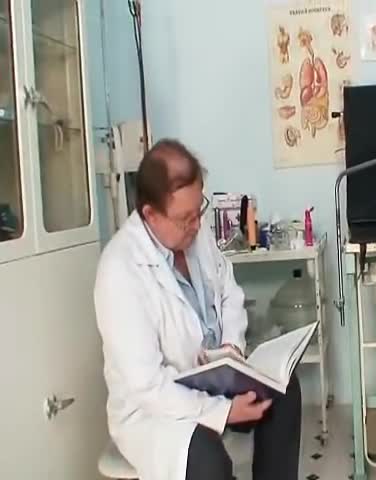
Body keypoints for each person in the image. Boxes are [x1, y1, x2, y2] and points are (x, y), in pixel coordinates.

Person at [94, 139, 301, 480]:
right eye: (184, 219)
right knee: (206, 457)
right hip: (157, 409)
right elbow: (147, 386)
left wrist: (232, 346)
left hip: (215, 378)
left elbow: (229, 294)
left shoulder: (195, 234)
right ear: (150, 214)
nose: (195, 225)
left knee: (284, 388)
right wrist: (224, 411)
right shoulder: (120, 269)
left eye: (198, 211)